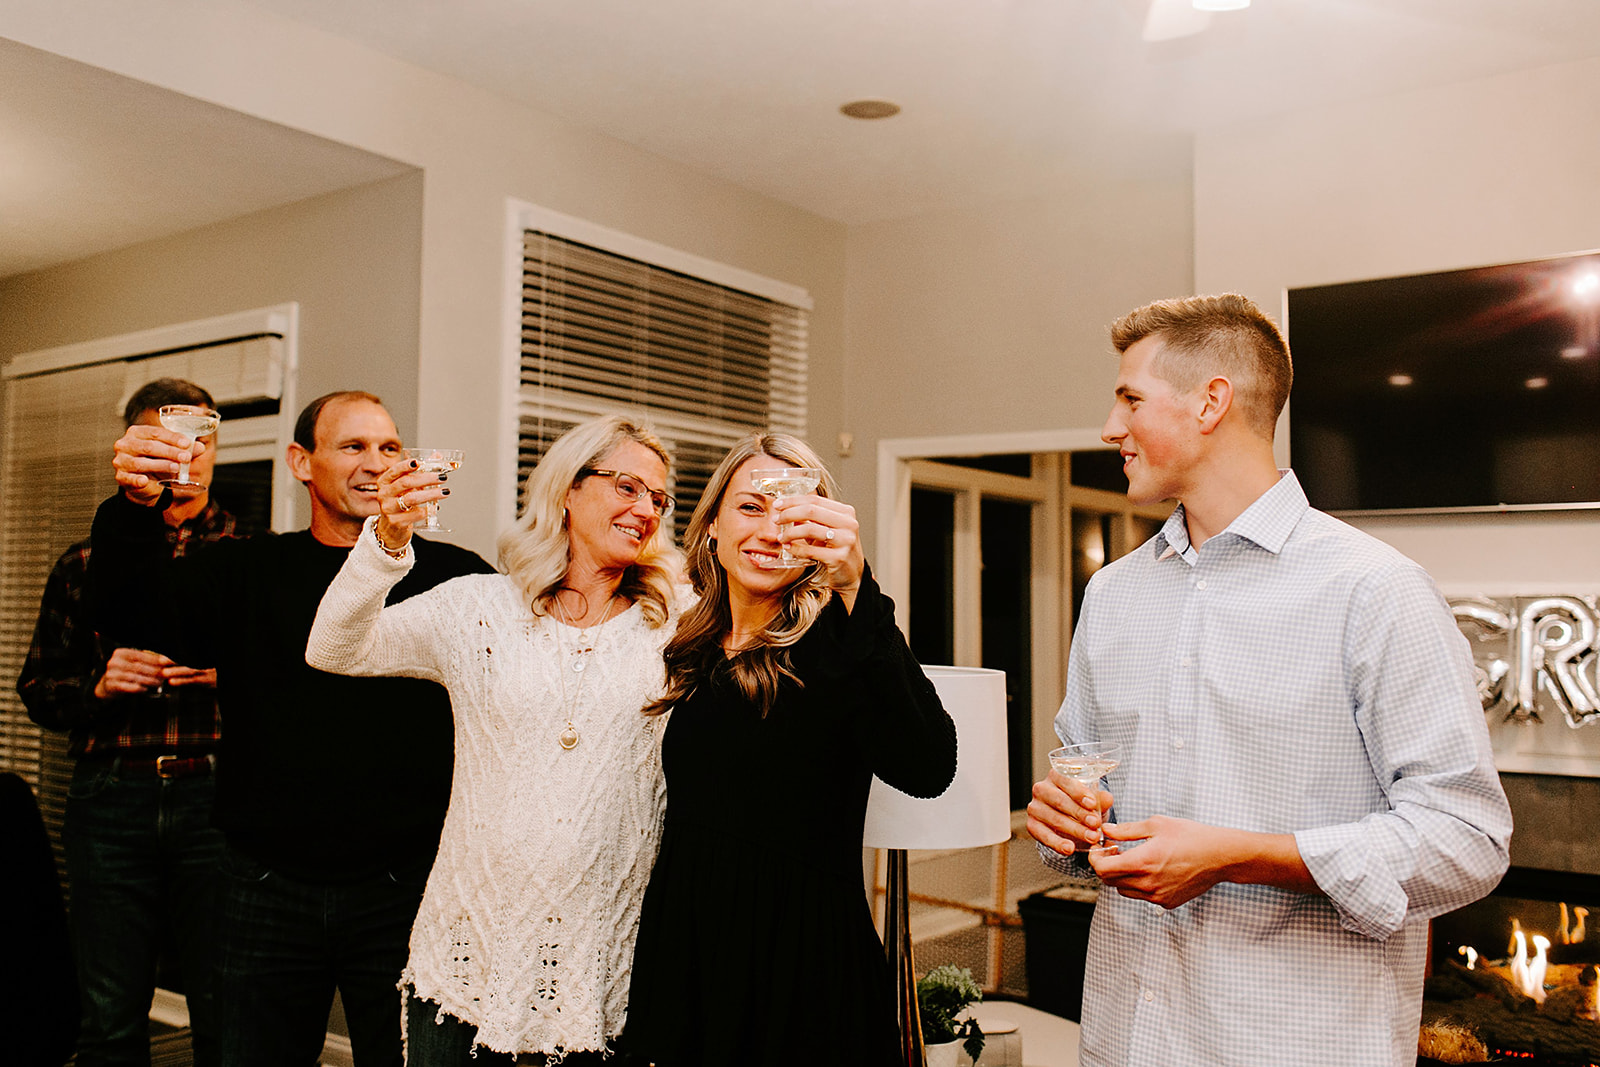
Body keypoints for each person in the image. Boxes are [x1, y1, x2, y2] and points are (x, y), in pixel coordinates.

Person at [1025, 294, 1514, 1067]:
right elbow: (1079, 780)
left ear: (1211, 400)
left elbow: (1469, 840)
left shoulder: (1375, 590)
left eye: (1130, 399)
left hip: (1293, 1043)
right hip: (1124, 1038)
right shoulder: (1112, 594)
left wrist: (1241, 854)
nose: (1109, 427)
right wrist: (1064, 823)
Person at [86, 390, 495, 1067]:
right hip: (263, 886)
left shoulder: (457, 577)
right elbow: (129, 611)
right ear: (301, 462)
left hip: (408, 892)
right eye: (353, 446)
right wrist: (135, 503)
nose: (375, 461)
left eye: (389, 446)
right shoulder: (246, 571)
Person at [305, 414, 684, 1064]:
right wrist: (386, 540)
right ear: (569, 488)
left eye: (658, 497)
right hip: (467, 957)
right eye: (627, 486)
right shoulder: (478, 608)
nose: (645, 508)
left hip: (604, 966)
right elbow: (336, 647)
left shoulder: (678, 623)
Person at [621, 432, 958, 1067]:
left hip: (801, 965)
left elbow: (929, 766)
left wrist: (859, 585)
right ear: (713, 525)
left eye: (792, 511)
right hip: (690, 950)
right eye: (750, 507)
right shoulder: (689, 646)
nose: (770, 530)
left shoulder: (840, 641)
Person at [18, 377, 235, 1067]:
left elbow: (304, 684)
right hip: (112, 798)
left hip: (218, 797)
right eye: (172, 437)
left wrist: (230, 673)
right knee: (109, 1017)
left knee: (227, 1011)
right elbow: (37, 690)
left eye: (204, 437)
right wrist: (98, 685)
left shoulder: (251, 556)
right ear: (137, 449)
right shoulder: (84, 563)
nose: (189, 452)